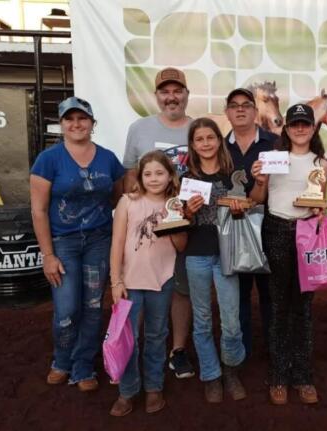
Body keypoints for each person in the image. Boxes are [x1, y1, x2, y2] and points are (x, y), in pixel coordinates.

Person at [30, 97, 124, 391]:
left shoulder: (108, 158)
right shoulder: (48, 159)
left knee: (94, 305)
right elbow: (39, 210)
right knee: (67, 307)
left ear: (92, 124)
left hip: (99, 240)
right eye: (69, 119)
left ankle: (83, 366)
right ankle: (62, 360)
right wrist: (47, 255)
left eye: (82, 118)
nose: (76, 124)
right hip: (64, 243)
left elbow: (119, 197)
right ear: (62, 124)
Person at [250, 104, 327, 405]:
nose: (299, 129)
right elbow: (258, 199)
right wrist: (259, 181)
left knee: (304, 306)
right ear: (286, 128)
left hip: (307, 233)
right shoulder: (273, 160)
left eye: (304, 124)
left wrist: (320, 214)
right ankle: (279, 375)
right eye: (294, 124)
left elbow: (319, 204)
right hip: (278, 230)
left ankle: (303, 376)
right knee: (280, 304)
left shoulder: (320, 162)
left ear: (312, 127)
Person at [123, 67, 195, 379]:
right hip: (147, 223)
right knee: (140, 285)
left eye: (177, 91)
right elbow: (129, 175)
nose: (171, 97)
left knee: (182, 287)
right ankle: (131, 349)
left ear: (186, 95)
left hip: (187, 219)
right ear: (157, 96)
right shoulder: (139, 128)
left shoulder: (198, 128)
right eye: (165, 92)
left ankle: (177, 350)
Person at [108, 150, 188, 417]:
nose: (154, 179)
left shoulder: (175, 204)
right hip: (129, 282)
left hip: (161, 280)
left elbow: (180, 245)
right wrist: (116, 280)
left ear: (170, 176)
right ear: (140, 176)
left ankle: (154, 386)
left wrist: (175, 221)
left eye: (160, 173)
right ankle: (128, 391)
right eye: (148, 173)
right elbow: (117, 243)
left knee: (156, 336)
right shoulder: (127, 202)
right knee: (129, 338)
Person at [182, 118, 247, 403]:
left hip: (226, 254)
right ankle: (211, 375)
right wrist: (187, 212)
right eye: (200, 139)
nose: (206, 143)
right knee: (203, 319)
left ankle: (231, 369)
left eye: (211, 137)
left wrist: (238, 209)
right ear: (193, 145)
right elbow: (178, 220)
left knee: (232, 321)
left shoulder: (232, 174)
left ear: (219, 141)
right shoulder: (185, 177)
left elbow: (246, 213)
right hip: (196, 254)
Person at [223, 88, 279, 359]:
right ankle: (242, 351)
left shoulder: (275, 143)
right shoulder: (219, 147)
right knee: (239, 294)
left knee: (270, 294)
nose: (241, 109)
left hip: (271, 229)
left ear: (256, 112)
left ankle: (273, 350)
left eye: (246, 105)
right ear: (227, 113)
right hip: (233, 231)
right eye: (234, 106)